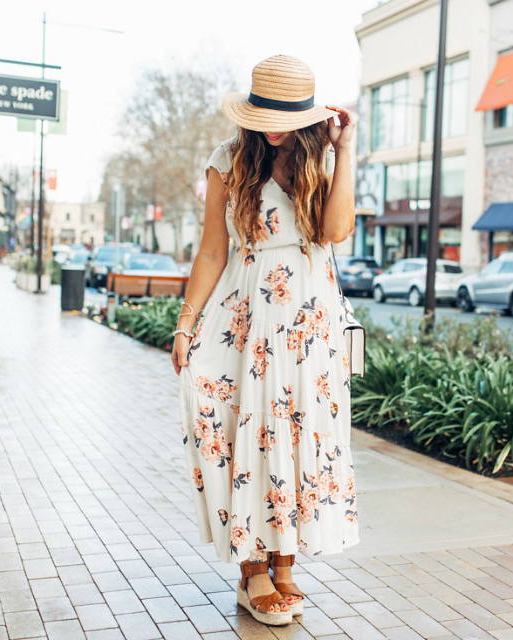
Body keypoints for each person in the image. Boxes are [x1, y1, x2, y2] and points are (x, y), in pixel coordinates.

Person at [170, 55, 359, 627]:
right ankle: (252, 569)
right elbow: (210, 250)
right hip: (246, 313)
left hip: (308, 323)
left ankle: (284, 564)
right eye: (264, 112)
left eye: (285, 114)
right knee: (239, 427)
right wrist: (186, 322)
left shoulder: (320, 158)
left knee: (298, 433)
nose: (273, 124)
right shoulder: (228, 163)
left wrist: (344, 150)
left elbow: (334, 231)